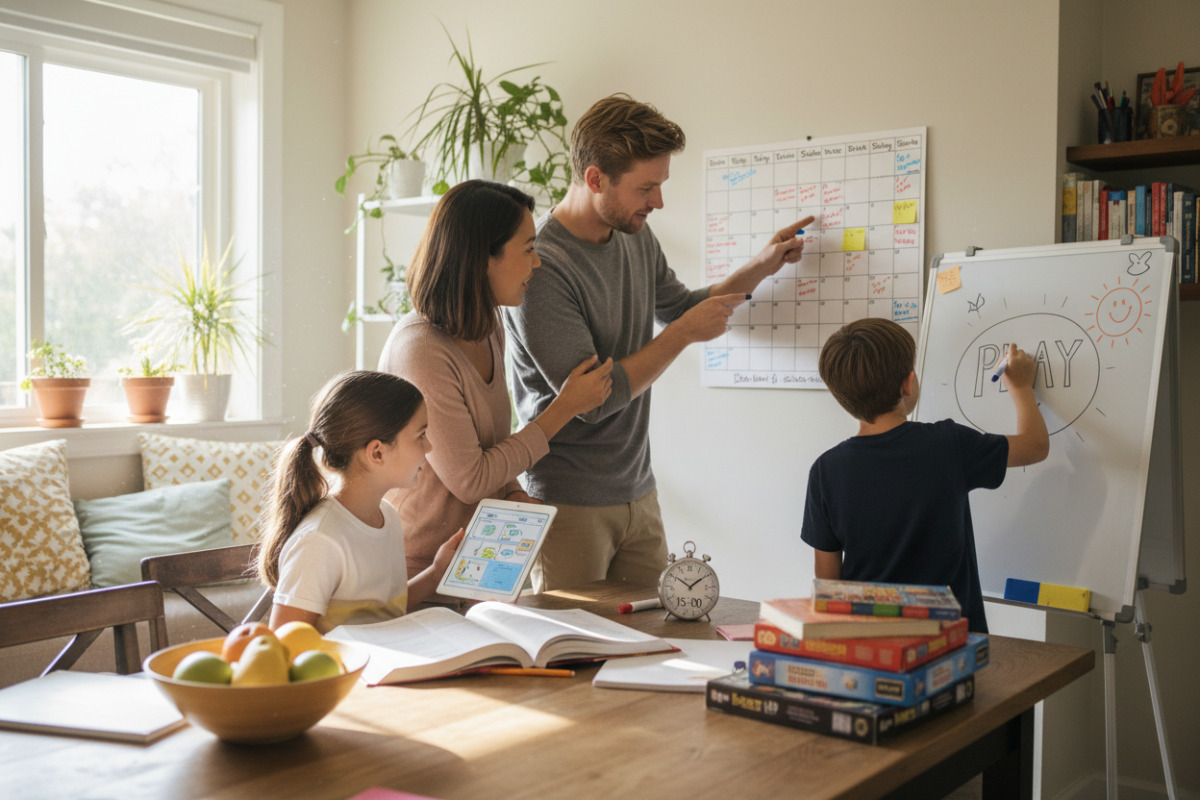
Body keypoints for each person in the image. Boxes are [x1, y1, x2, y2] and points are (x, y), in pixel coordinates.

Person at [503, 93, 813, 591]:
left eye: (661, 185)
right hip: (567, 503)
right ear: (595, 178)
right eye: (646, 188)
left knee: (655, 642)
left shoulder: (634, 232)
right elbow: (592, 401)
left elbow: (677, 304)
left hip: (639, 493)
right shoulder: (542, 266)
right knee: (577, 654)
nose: (659, 202)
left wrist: (761, 265)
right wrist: (683, 336)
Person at [379, 180, 613, 579]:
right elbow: (469, 480)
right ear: (483, 257)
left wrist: (513, 493)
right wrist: (565, 408)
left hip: (475, 560)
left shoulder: (488, 325)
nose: (536, 263)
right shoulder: (420, 350)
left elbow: (488, 446)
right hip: (417, 569)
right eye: (528, 249)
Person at [800, 318, 1050, 632]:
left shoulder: (826, 470)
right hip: (952, 645)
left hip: (872, 645)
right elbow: (1035, 446)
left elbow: (827, 586)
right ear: (908, 383)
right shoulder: (948, 445)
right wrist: (1022, 387)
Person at [255, 370, 464, 632]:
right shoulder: (319, 541)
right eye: (420, 436)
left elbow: (383, 611)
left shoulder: (387, 516)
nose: (429, 447)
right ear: (377, 452)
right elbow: (285, 645)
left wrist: (436, 572)